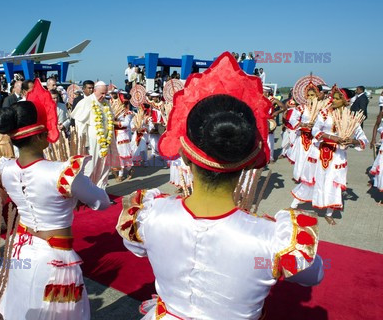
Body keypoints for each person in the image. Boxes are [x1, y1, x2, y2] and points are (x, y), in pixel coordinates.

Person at [117, 52, 323, 319]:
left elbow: (135, 247)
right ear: (249, 161)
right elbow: (313, 274)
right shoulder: (272, 239)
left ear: (184, 156)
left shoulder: (149, 215)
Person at [0, 79, 110, 320]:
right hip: (55, 257)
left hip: (22, 250)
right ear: (38, 138)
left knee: (23, 305)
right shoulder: (60, 172)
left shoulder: (4, 169)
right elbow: (102, 202)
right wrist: (84, 186)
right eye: (46, 130)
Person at [291, 89, 368, 224]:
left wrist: (352, 141)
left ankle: (329, 212)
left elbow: (363, 139)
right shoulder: (324, 113)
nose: (333, 100)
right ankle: (294, 204)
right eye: (333, 97)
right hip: (319, 151)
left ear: (345, 101)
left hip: (338, 155)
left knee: (334, 182)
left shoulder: (351, 117)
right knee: (311, 178)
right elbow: (315, 130)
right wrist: (331, 137)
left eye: (338, 98)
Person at [72, 81, 118, 188]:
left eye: (105, 93)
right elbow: (80, 126)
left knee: (104, 169)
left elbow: (110, 122)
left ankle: (101, 191)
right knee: (90, 168)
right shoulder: (86, 102)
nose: (103, 96)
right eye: (101, 93)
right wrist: (84, 144)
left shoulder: (106, 103)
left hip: (106, 142)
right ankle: (87, 193)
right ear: (95, 90)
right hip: (92, 144)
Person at [113, 91, 134, 181]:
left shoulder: (128, 113)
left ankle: (121, 174)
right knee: (116, 155)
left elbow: (126, 123)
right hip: (114, 134)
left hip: (122, 135)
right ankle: (128, 170)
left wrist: (115, 122)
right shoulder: (115, 110)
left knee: (121, 155)